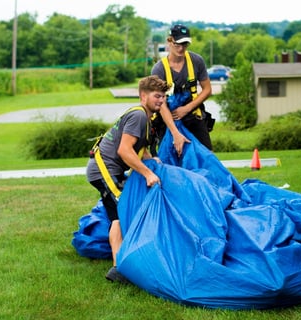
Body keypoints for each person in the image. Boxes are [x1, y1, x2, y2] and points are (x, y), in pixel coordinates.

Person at [86, 75, 171, 283]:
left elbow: (139, 151)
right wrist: (147, 173)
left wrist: (153, 163)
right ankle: (119, 268)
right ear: (143, 96)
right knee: (122, 211)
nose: (161, 100)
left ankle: (120, 266)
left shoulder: (146, 119)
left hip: (111, 169)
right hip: (103, 169)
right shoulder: (139, 116)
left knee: (118, 214)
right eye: (157, 96)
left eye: (163, 97)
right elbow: (125, 151)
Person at [150, 24, 214, 152]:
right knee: (169, 161)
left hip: (193, 117)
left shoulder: (197, 61)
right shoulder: (159, 69)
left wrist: (186, 109)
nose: (181, 48)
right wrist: (175, 133)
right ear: (169, 41)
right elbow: (160, 103)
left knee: (206, 157)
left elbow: (207, 89)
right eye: (177, 44)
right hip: (168, 121)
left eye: (185, 45)